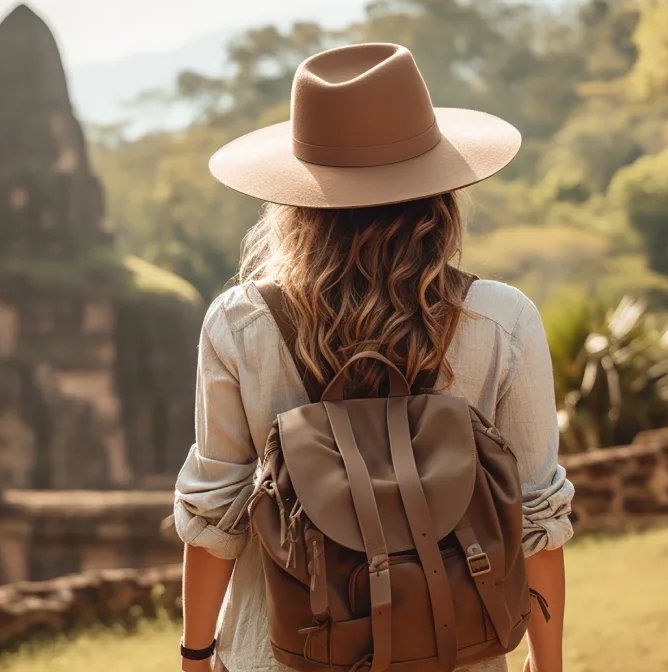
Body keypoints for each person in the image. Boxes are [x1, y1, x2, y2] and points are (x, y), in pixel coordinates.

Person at [175, 43, 575, 672]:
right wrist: (547, 665)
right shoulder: (502, 320)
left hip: (280, 653)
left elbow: (213, 515)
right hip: (455, 652)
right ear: (438, 192)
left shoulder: (241, 322)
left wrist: (195, 656)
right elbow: (537, 517)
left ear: (296, 201)